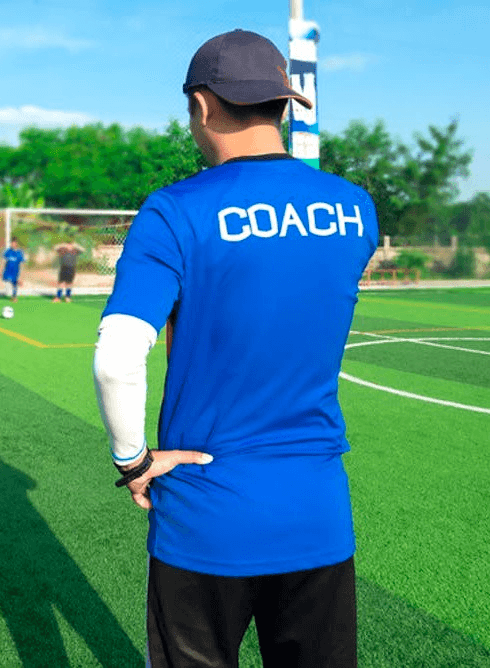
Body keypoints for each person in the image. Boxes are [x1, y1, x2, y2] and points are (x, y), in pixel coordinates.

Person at [93, 29, 378, 668]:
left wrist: (133, 460)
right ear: (283, 106)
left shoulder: (173, 212)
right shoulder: (355, 209)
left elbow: (116, 356)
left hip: (205, 517)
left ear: (201, 105)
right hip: (317, 512)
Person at [2, 237, 26, 302]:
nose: (12, 244)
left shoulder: (20, 252)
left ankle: (14, 296)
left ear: (16, 244)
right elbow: (4, 261)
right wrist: (1, 270)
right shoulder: (8, 251)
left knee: (15, 283)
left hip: (15, 271)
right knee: (6, 282)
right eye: (11, 243)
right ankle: (11, 294)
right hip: (8, 270)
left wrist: (21, 276)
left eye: (13, 243)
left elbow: (22, 263)